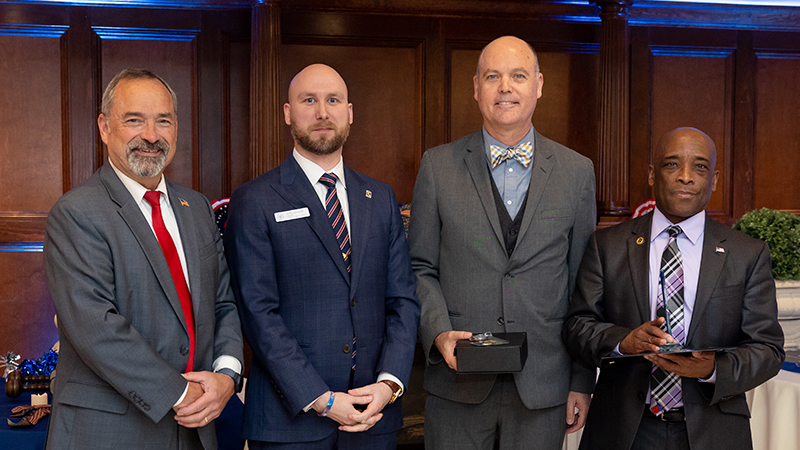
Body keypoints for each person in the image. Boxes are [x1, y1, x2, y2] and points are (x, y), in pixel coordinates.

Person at [408, 35, 597, 449]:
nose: (505, 87)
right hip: (457, 382)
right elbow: (419, 268)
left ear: (539, 85)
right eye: (492, 76)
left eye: (518, 75)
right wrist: (439, 333)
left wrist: (581, 380)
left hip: (544, 388)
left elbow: (584, 286)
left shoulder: (577, 172)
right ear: (476, 87)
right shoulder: (437, 166)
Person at [43, 69, 244, 449]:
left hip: (197, 429)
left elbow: (223, 303)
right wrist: (181, 394)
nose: (151, 135)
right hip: (109, 433)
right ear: (104, 127)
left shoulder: (197, 208)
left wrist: (226, 376)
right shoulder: (76, 213)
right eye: (134, 120)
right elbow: (95, 327)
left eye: (163, 121)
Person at [224, 63, 419, 449]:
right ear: (287, 112)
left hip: (372, 419)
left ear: (349, 112)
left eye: (333, 100)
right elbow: (258, 313)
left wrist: (388, 384)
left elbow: (403, 301)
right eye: (308, 100)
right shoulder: (255, 200)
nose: (322, 112)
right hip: (289, 423)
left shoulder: (380, 198)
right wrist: (321, 399)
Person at [562, 127, 785, 450]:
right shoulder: (607, 245)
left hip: (714, 431)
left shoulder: (747, 253)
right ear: (652, 175)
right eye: (671, 165)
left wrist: (712, 368)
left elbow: (768, 349)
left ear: (715, 179)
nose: (685, 177)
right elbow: (577, 327)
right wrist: (624, 341)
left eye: (700, 167)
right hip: (624, 431)